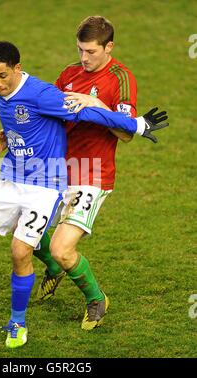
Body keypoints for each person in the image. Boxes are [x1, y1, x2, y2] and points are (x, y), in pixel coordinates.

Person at [0, 40, 167, 349]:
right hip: (12, 177)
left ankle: (20, 321)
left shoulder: (43, 93)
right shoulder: (4, 89)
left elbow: (86, 115)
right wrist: (8, 134)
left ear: (17, 68)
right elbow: (23, 116)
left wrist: (135, 124)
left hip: (48, 181)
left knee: (27, 251)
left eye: (3, 75)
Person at [32, 15, 166, 331]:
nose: (83, 58)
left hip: (91, 173)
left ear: (109, 47)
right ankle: (54, 269)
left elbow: (126, 134)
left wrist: (95, 103)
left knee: (63, 249)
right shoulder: (69, 74)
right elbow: (48, 115)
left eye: (90, 51)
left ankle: (96, 299)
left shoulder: (120, 78)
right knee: (23, 230)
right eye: (80, 49)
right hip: (55, 168)